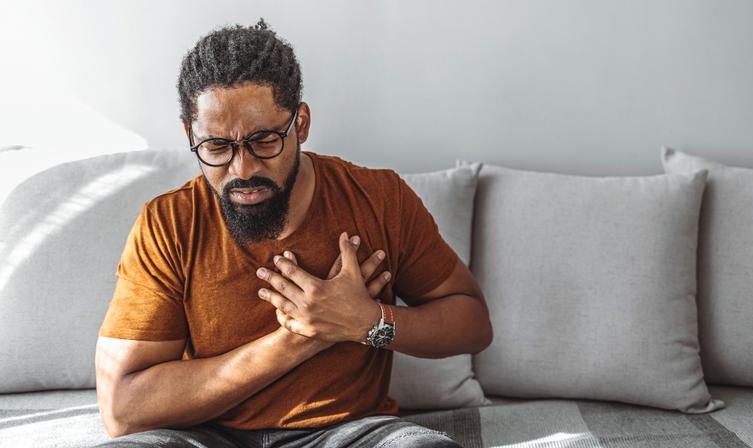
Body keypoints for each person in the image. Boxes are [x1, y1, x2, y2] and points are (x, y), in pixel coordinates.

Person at [93, 18, 492, 448]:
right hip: (202, 435)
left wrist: (367, 321)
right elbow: (124, 409)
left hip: (352, 431)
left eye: (264, 141)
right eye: (216, 147)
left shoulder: (379, 199)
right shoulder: (168, 224)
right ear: (191, 135)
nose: (241, 170)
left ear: (300, 123)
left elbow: (472, 324)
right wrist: (301, 339)